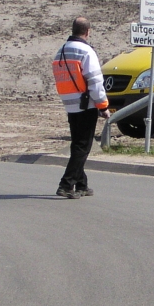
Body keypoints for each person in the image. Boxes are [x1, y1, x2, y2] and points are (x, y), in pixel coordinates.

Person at [51, 16, 110, 199]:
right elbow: (94, 81)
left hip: (70, 104)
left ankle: (82, 185)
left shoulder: (61, 51)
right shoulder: (86, 51)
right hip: (86, 105)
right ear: (87, 32)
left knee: (78, 145)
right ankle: (66, 184)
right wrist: (103, 105)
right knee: (83, 147)